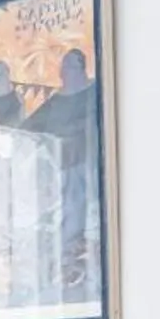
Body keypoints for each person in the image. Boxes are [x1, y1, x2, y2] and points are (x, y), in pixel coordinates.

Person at [18, 48, 102, 298]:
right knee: (68, 210)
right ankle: (67, 262)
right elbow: (28, 128)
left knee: (86, 211)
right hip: (65, 166)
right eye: (62, 68)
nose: (63, 74)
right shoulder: (57, 101)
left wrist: (67, 133)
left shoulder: (94, 92)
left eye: (68, 68)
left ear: (80, 69)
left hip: (91, 164)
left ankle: (87, 259)